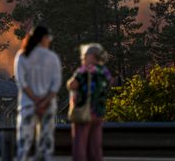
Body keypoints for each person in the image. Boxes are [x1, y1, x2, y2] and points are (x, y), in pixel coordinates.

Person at [14, 25, 62, 161]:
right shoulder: (52, 57)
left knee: (23, 144)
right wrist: (44, 101)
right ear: (43, 38)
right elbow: (56, 85)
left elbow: (21, 82)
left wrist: (35, 100)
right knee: (46, 145)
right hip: (48, 106)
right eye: (48, 38)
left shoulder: (22, 55)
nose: (49, 41)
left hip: (27, 105)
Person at [67, 43, 112, 161]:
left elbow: (72, 85)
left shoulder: (85, 69)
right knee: (95, 146)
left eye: (85, 55)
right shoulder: (104, 71)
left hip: (84, 112)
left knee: (80, 145)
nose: (83, 58)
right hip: (99, 112)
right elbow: (108, 85)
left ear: (91, 56)